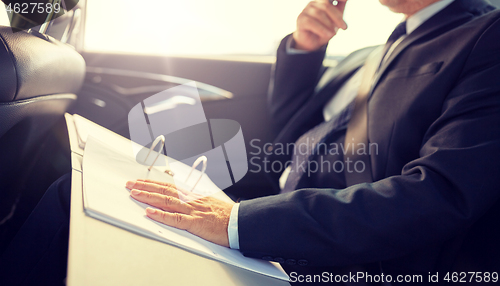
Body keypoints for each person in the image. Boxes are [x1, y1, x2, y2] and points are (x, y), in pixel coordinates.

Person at [2, 0, 500, 285]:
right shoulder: (394, 41)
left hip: (338, 260)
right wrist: (306, 51)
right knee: (91, 178)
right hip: (279, 204)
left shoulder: (483, 34)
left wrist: (238, 222)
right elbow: (292, 140)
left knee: (76, 203)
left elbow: (442, 195)